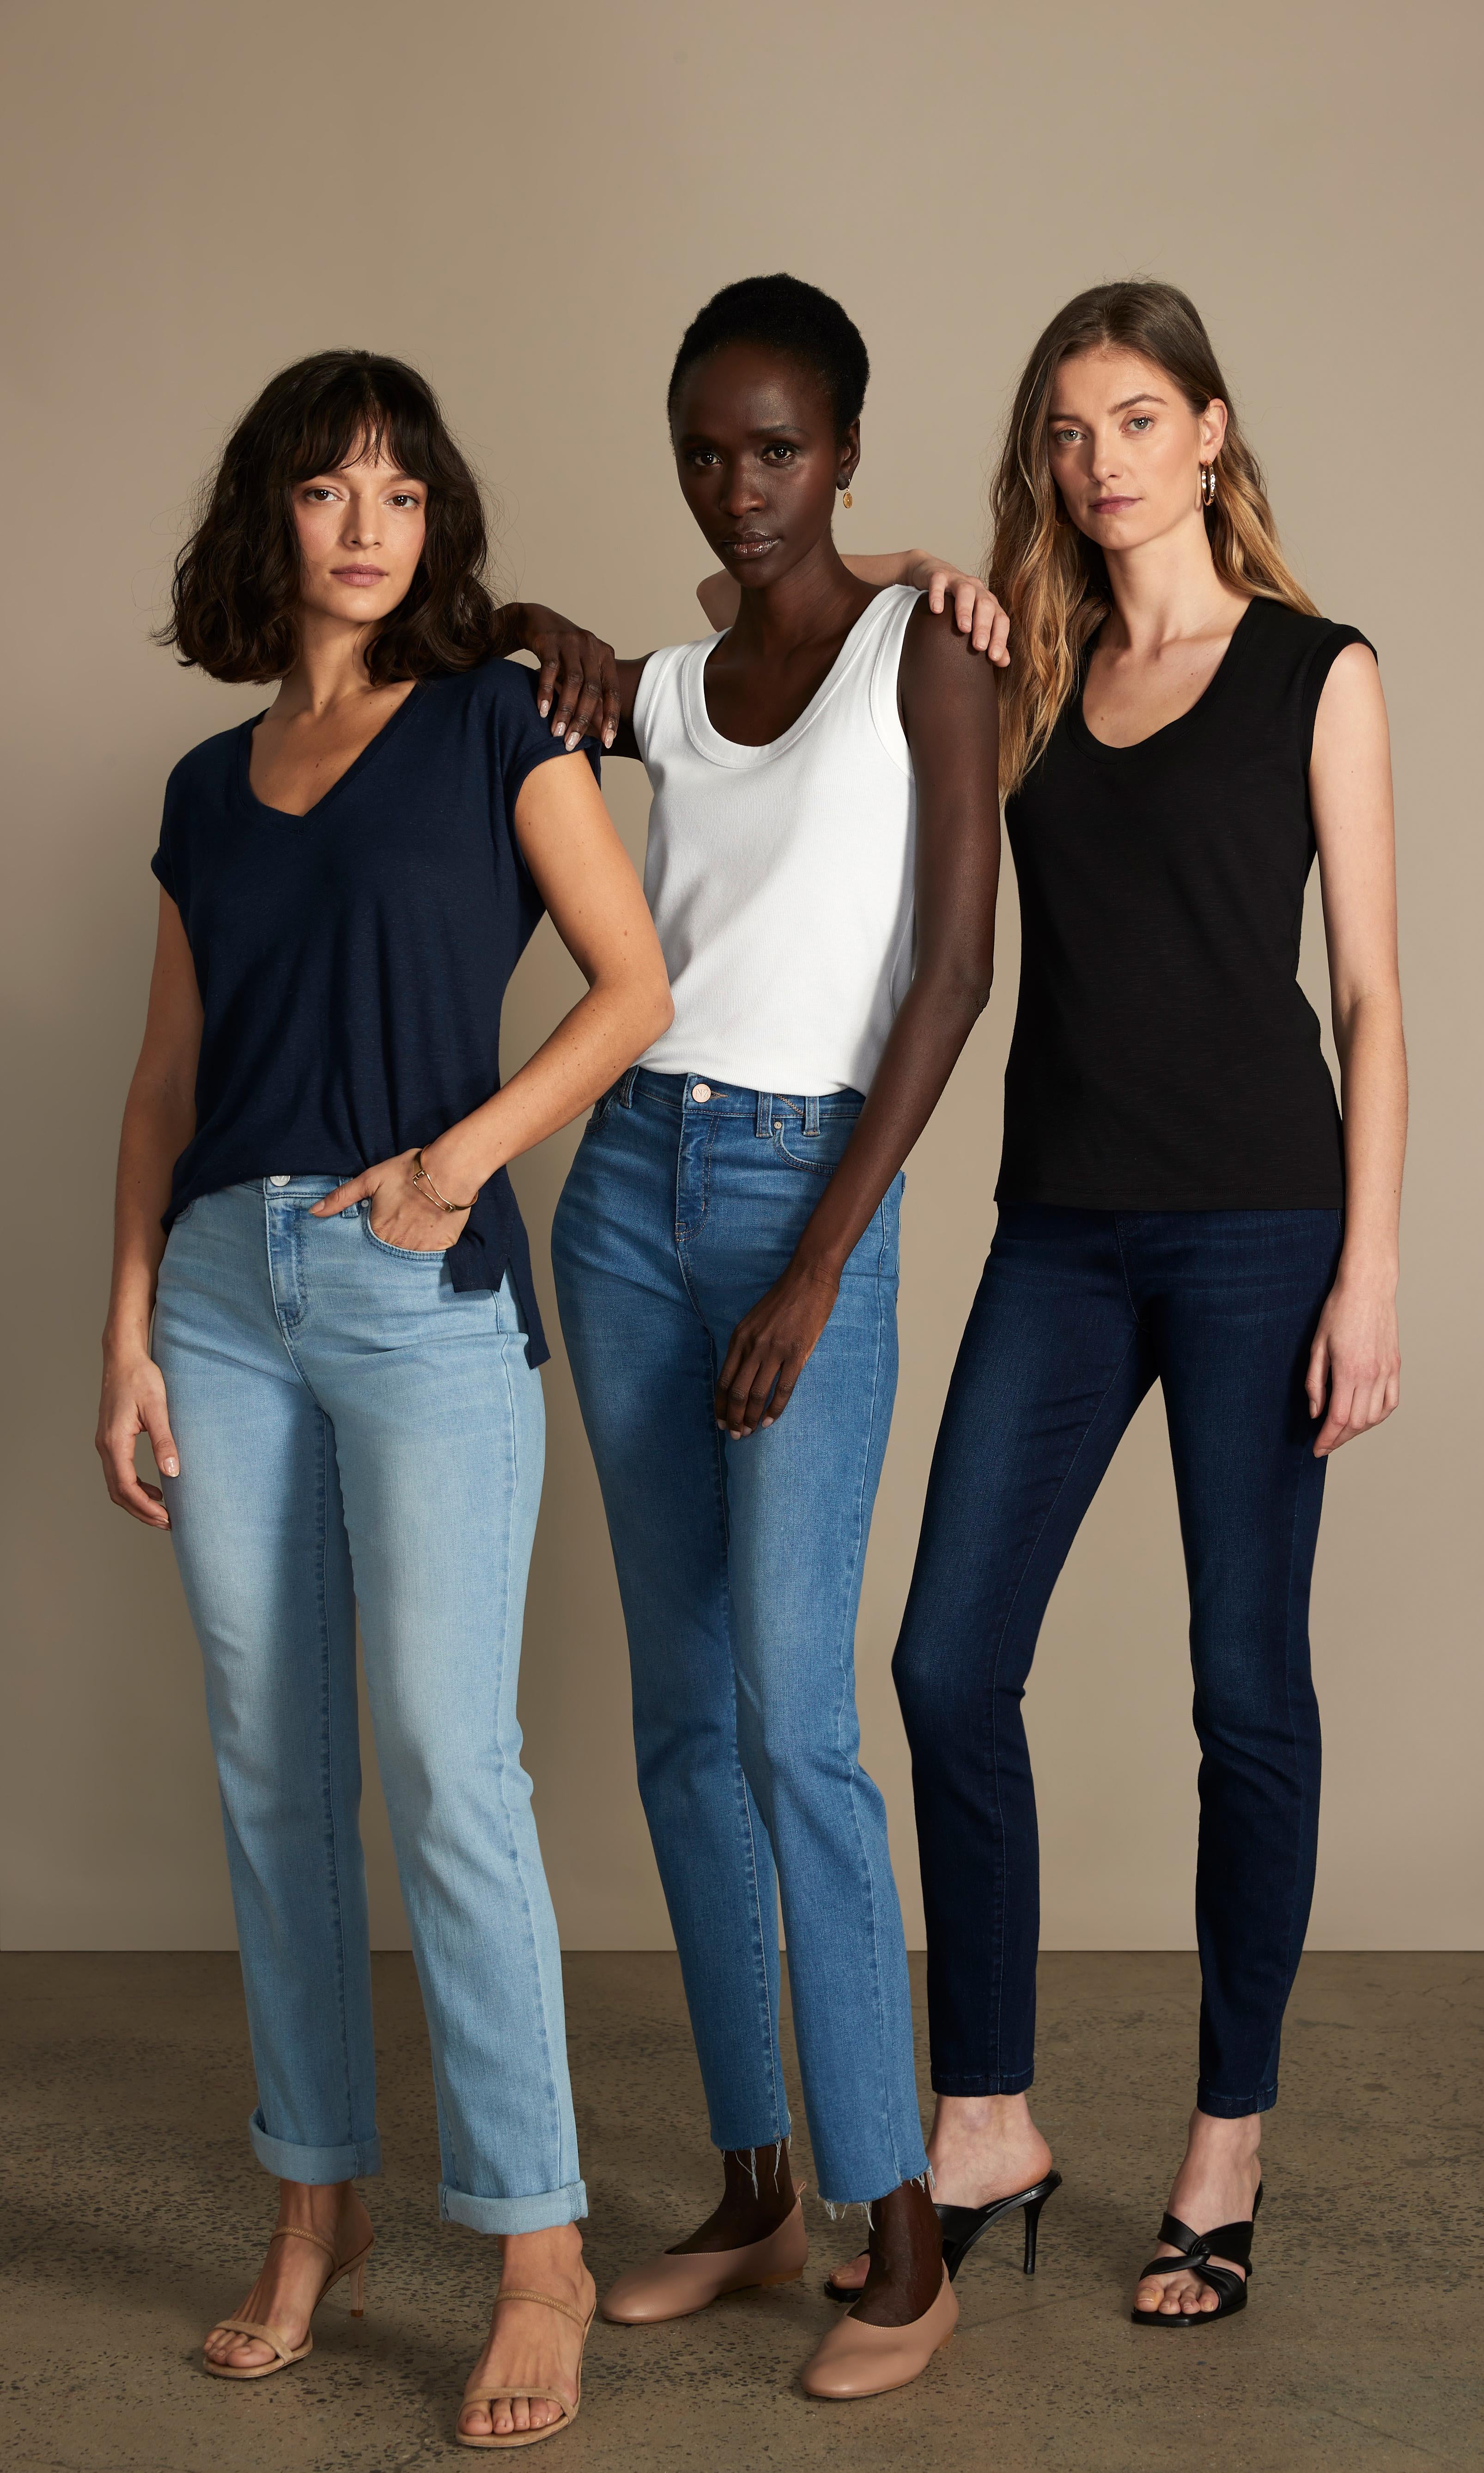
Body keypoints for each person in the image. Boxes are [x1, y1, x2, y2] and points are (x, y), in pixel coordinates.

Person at [95, 348, 672, 2446]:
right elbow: (167, 1088)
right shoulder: (197, 790)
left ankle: (539, 2250)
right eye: (330, 486)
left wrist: (458, 1162)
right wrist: (129, 1318)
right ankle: (311, 2206)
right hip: (232, 1295)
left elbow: (632, 985)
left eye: (402, 490)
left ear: (436, 528)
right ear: (271, 516)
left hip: (423, 1288)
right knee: (270, 1765)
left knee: (445, 1765)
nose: (366, 519)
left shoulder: (495, 725)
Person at [829, 278, 1406, 2326]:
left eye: (1137, 419)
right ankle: (985, 2115)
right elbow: (867, 624)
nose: (1100, 460)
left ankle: (1223, 2147)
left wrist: (1371, 1263)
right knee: (944, 1663)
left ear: (1212, 436)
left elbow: (1368, 996)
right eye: (1069, 430)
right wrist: (914, 564)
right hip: (1062, 1230)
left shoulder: (1314, 672)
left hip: (1262, 1229)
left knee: (1245, 1692)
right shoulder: (1033, 674)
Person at [500, 273, 1001, 2399]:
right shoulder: (682, 690)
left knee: (799, 1726)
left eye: (778, 447)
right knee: (680, 1727)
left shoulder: (928, 654)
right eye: (706, 447)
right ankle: (753, 2184)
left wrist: (816, 1267)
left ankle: (907, 2234)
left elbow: (952, 975)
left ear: (849, 455)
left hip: (816, 1199)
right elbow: (528, 658)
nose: (739, 482)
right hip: (625, 1195)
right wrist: (528, 629)